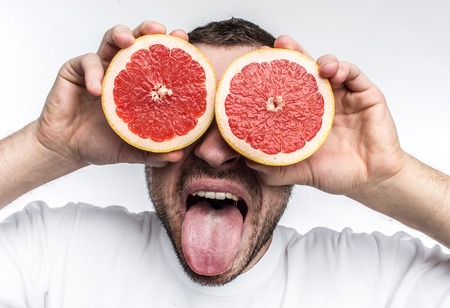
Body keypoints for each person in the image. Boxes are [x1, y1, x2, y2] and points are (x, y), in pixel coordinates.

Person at [0, 17, 449, 307]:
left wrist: (385, 174)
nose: (215, 153)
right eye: (193, 118)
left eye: (243, 123)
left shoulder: (379, 280)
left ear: (296, 142)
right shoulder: (57, 249)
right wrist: (49, 146)